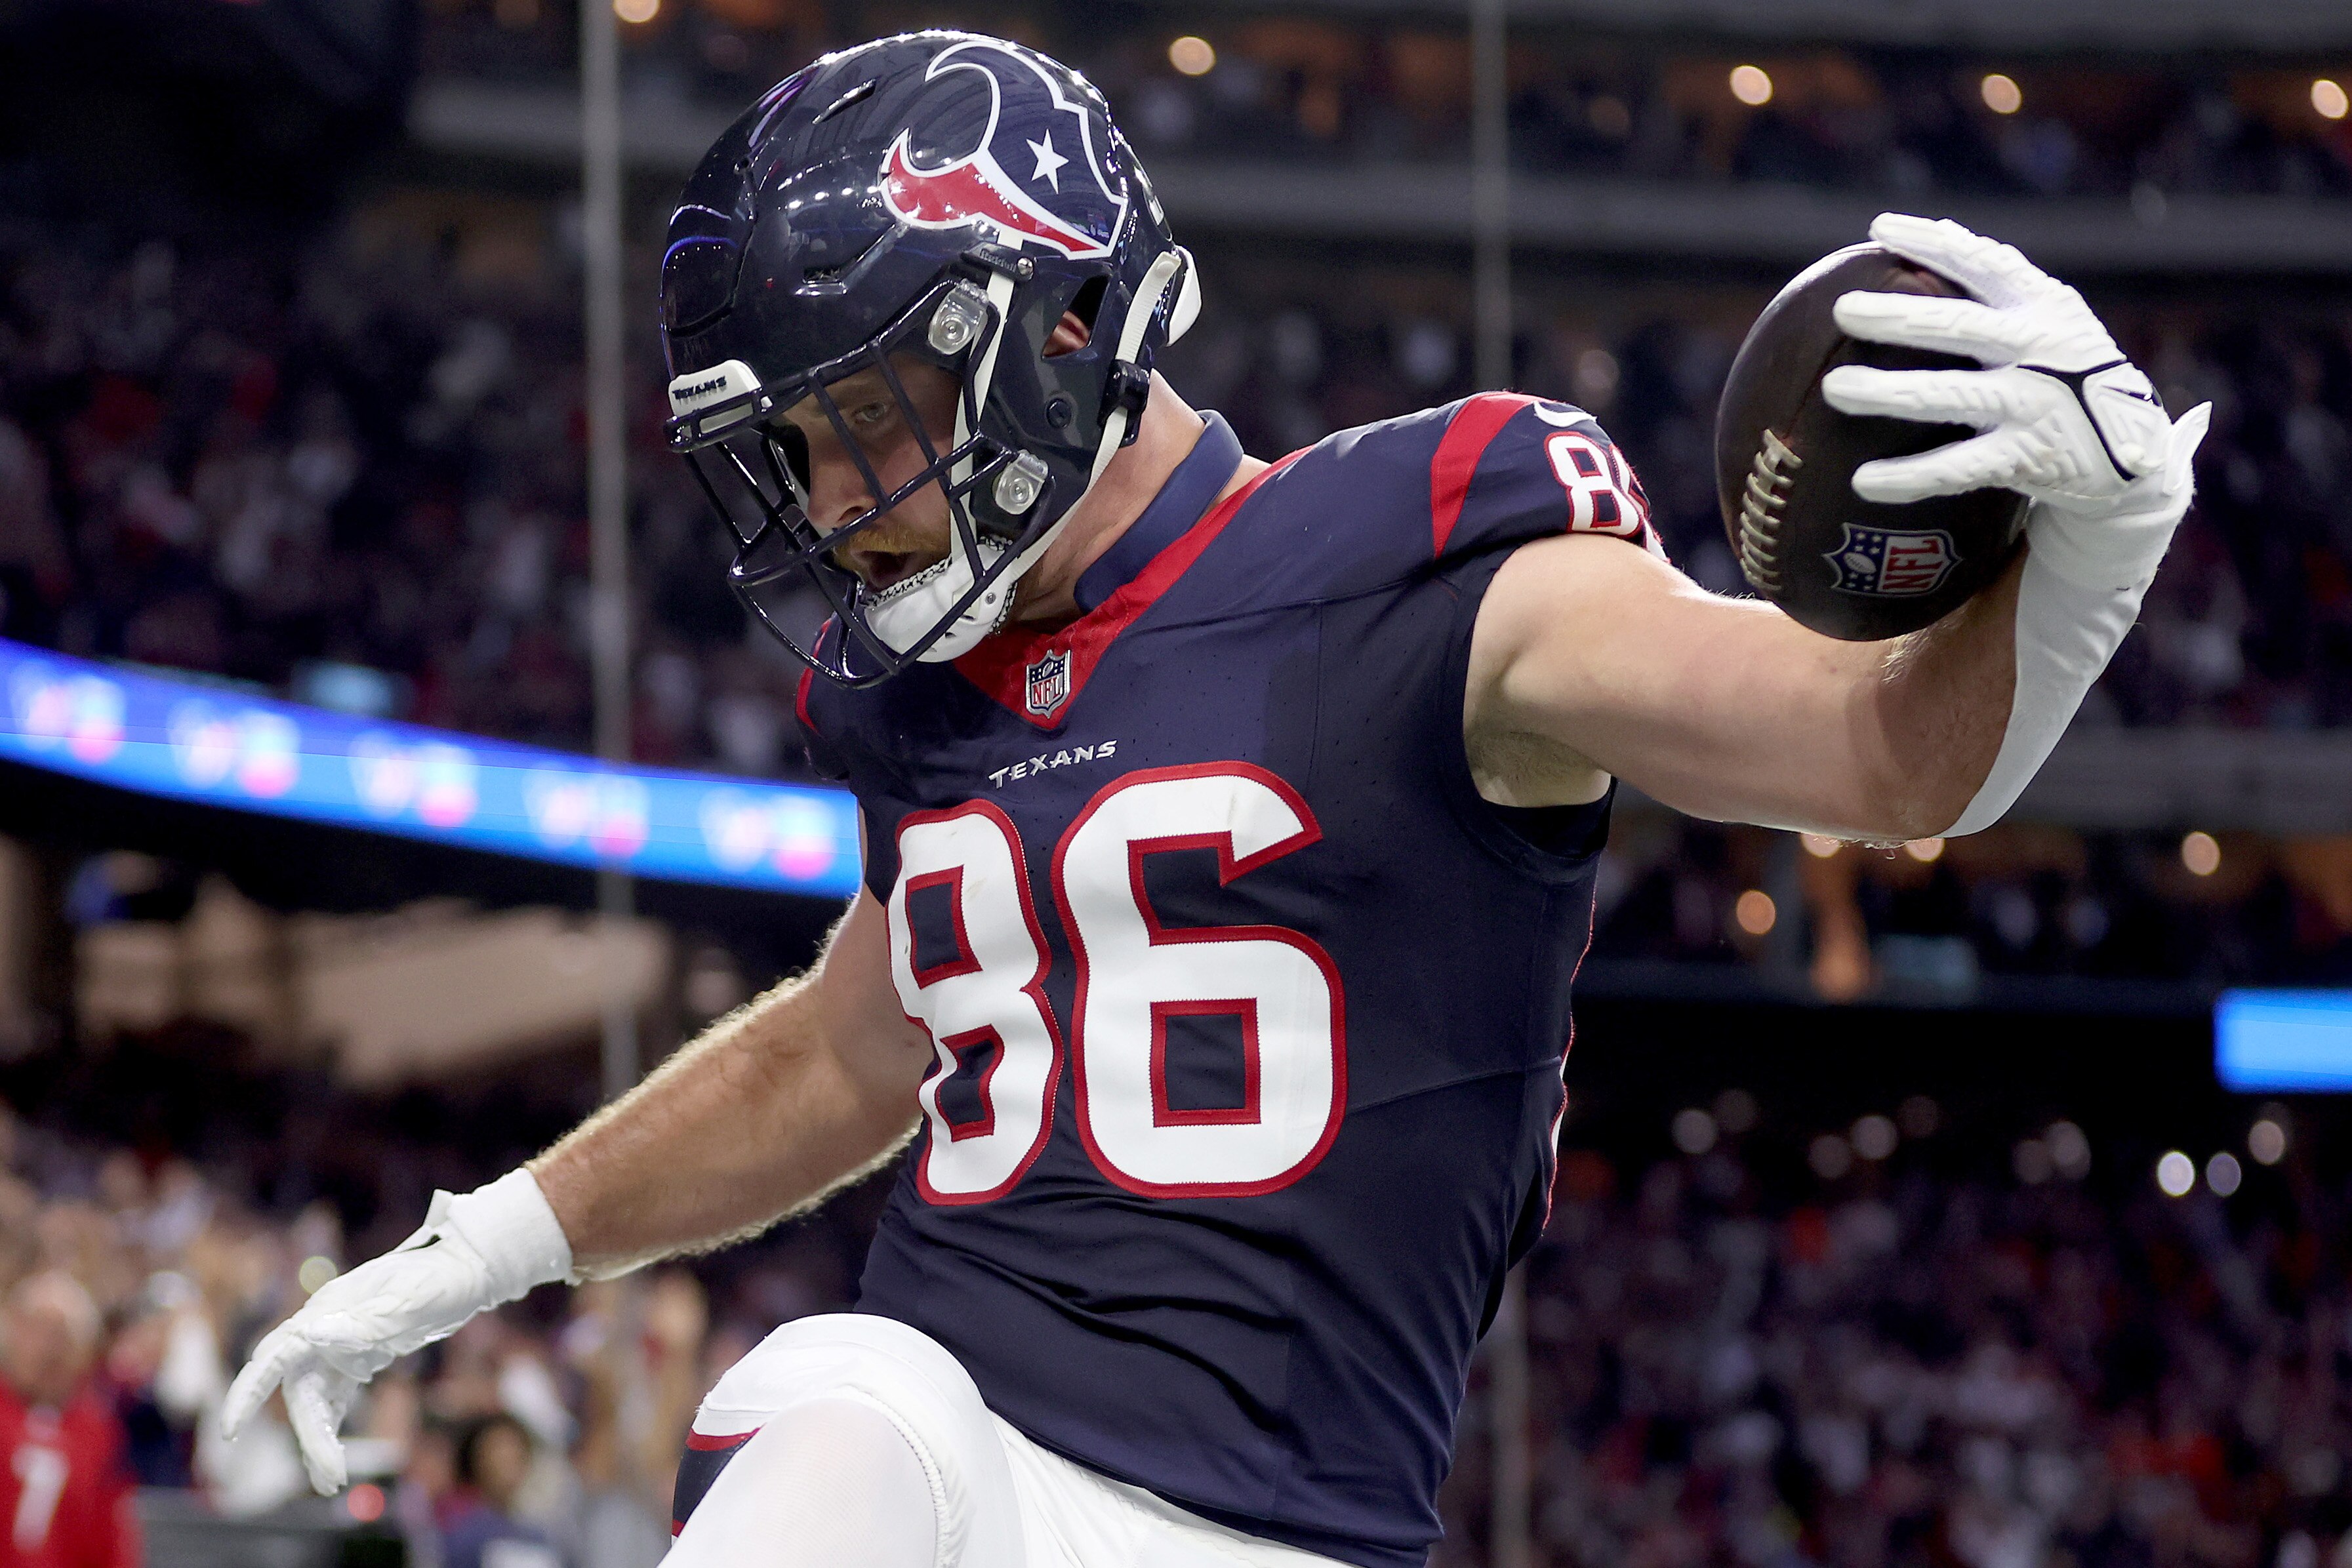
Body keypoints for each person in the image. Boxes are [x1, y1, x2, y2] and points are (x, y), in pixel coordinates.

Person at [223, 31, 2204, 1568]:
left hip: (1283, 1514)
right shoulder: (927, 696)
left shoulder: (1424, 554)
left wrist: (2083, 551)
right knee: (830, 1389)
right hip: (956, 1459)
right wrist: (483, 1246)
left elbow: (1865, 749)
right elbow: (855, 1034)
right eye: (800, 455)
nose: (834, 507)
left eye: (871, 423)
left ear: (1062, 325)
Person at [0, 1270, 142, 1568]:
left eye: (63, 1336)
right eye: (37, 1329)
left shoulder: (100, 1432)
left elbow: (112, 1540)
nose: (49, 1349)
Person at [438, 1413, 565, 1568]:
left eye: (515, 1452)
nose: (507, 1463)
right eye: (498, 1453)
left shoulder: (540, 1534)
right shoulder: (462, 1533)